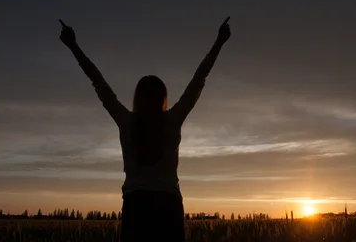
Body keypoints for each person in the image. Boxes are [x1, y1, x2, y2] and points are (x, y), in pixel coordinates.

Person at [59, 17, 231, 242]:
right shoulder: (172, 120)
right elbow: (199, 80)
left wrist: (73, 46)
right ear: (163, 98)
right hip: (168, 205)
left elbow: (98, 82)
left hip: (136, 206)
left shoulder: (126, 121)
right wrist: (219, 42)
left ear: (137, 98)